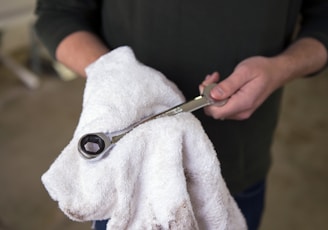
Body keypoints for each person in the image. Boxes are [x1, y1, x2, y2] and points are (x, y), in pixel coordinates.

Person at [34, 1, 328, 229]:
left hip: (238, 167)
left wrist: (282, 68)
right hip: (125, 176)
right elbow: (57, 13)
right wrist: (119, 73)